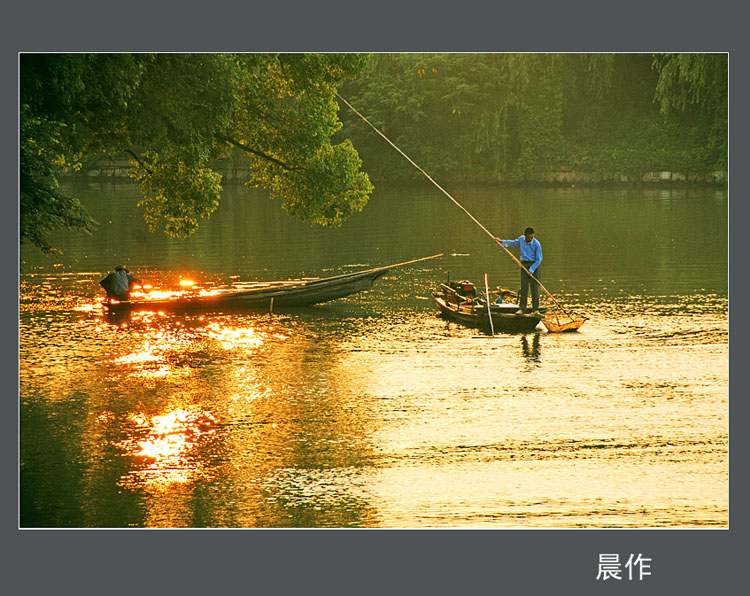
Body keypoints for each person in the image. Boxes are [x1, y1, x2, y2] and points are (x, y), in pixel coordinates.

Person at [495, 227, 543, 314]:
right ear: (525, 236)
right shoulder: (521, 239)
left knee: (534, 288)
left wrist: (531, 269)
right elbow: (513, 243)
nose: (530, 239)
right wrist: (502, 242)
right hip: (524, 265)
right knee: (524, 287)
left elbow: (539, 259)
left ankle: (535, 309)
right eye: (528, 237)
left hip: (534, 266)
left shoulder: (536, 244)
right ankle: (522, 308)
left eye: (532, 237)